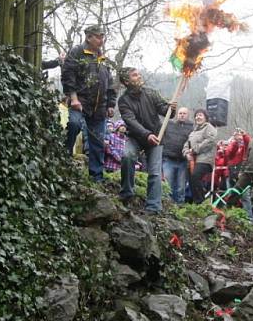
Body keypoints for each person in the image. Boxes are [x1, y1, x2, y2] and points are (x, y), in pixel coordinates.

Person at [61, 24, 117, 180]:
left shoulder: (102, 58)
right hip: (79, 102)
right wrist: (73, 98)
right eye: (98, 37)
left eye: (102, 37)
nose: (101, 40)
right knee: (74, 125)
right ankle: (63, 161)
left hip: (99, 108)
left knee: (98, 142)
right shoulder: (77, 52)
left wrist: (111, 104)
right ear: (89, 37)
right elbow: (67, 75)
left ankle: (96, 177)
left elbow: (110, 83)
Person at [117, 67, 176, 213]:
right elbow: (131, 121)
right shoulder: (123, 101)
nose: (139, 76)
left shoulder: (151, 93)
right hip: (135, 137)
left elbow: (164, 110)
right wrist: (146, 134)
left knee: (155, 172)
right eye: (135, 75)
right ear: (126, 81)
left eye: (138, 74)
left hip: (156, 137)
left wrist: (172, 108)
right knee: (127, 157)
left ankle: (153, 207)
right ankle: (126, 193)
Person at [182, 109, 217, 203]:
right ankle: (196, 202)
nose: (198, 117)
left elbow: (210, 140)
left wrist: (195, 150)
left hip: (205, 159)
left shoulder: (209, 127)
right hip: (193, 160)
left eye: (200, 115)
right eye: (196, 116)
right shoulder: (193, 132)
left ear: (205, 117)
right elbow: (186, 144)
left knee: (195, 176)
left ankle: (201, 202)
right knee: (191, 180)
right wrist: (186, 153)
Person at [161, 107, 192, 204]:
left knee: (180, 186)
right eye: (180, 113)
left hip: (183, 160)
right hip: (168, 158)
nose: (182, 115)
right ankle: (168, 204)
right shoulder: (169, 124)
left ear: (188, 115)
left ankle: (180, 205)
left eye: (184, 113)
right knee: (168, 183)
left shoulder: (192, 128)